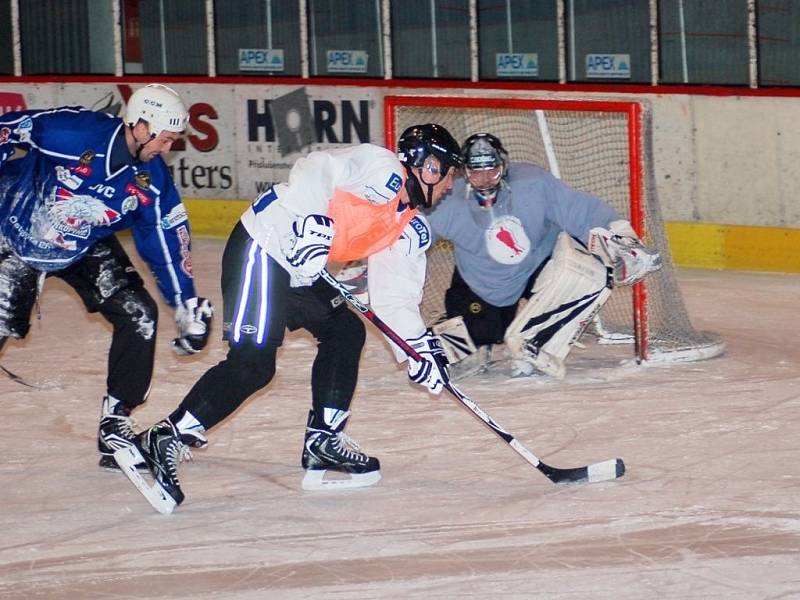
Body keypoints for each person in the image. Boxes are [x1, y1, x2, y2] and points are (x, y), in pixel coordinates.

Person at [113, 123, 464, 513]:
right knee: (253, 364)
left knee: (345, 331)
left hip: (301, 270)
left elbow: (394, 298)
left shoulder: (410, 227)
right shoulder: (381, 168)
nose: (450, 185)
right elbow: (317, 168)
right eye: (448, 174)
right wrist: (313, 222)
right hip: (263, 246)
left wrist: (416, 348)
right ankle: (168, 435)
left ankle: (324, 440)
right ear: (429, 167)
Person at [0, 84, 214, 469]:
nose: (167, 148)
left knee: (140, 315)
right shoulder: (76, 132)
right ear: (142, 125)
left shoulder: (152, 180)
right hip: (16, 231)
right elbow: (9, 128)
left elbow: (164, 240)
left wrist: (184, 304)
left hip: (83, 243)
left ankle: (115, 421)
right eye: (165, 139)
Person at [424, 132, 662, 379]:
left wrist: (622, 237)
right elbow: (412, 238)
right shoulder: (448, 201)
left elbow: (579, 211)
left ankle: (535, 344)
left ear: (503, 166)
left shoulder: (533, 183)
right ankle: (454, 336)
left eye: (491, 170)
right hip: (481, 282)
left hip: (536, 265)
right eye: (476, 172)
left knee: (590, 273)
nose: (484, 179)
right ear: (465, 172)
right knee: (460, 354)